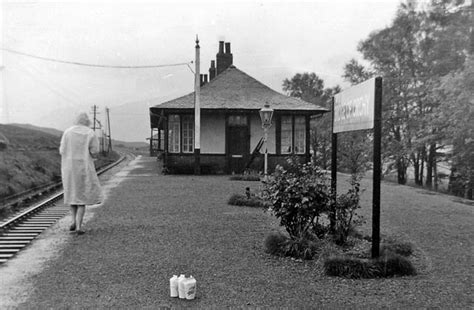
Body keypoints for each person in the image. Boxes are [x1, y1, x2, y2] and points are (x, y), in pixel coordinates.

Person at [59, 113, 103, 235]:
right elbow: (95, 151)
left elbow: (61, 150)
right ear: (87, 121)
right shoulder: (90, 132)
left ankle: (72, 220)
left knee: (72, 195)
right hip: (84, 166)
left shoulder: (67, 132)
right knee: (81, 197)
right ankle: (78, 226)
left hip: (69, 167)